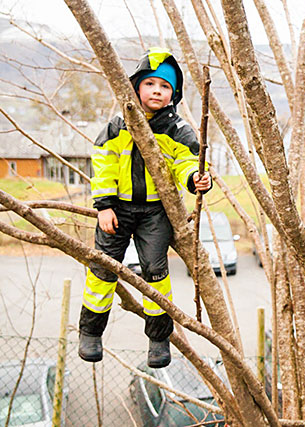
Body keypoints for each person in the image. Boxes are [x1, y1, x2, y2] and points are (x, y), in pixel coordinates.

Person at [78, 47, 212, 368]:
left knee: (156, 273)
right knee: (102, 269)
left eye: (165, 87)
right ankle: (90, 332)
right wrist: (104, 206)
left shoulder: (176, 130)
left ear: (173, 95)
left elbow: (186, 161)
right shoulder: (117, 126)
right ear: (137, 87)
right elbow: (104, 164)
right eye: (150, 84)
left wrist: (195, 178)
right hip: (117, 209)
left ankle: (158, 339)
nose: (157, 91)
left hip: (155, 213)